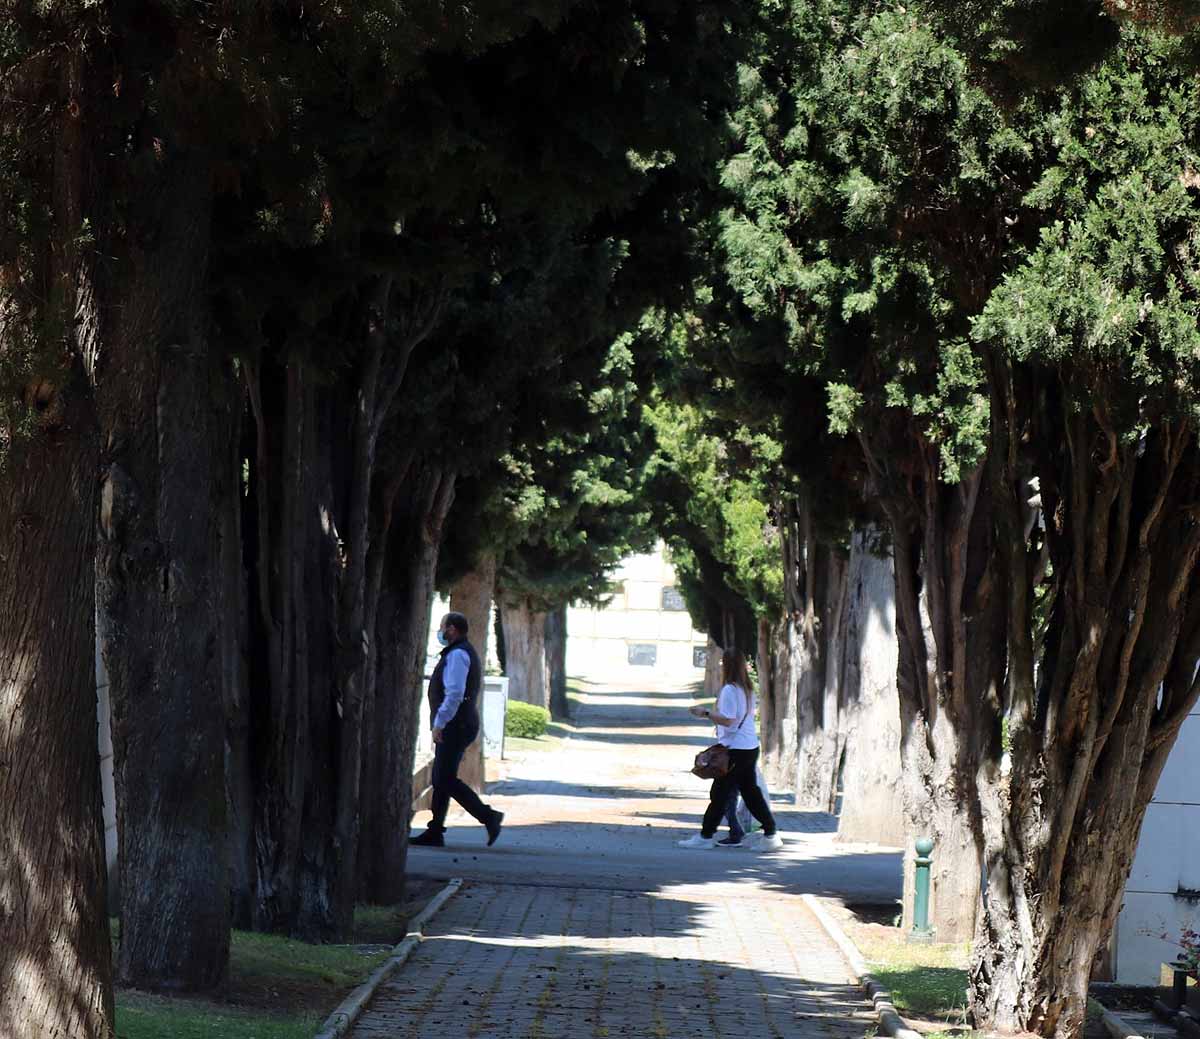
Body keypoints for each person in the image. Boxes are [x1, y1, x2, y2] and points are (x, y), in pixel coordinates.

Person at [410, 612, 504, 848]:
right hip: (458, 723)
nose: (440, 632)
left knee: (444, 778)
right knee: (442, 777)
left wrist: (440, 723)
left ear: (452, 629)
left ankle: (488, 816)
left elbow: (454, 694)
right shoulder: (458, 652)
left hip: (456, 724)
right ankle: (435, 831)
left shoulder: (458, 654)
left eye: (442, 627)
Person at [677, 648, 782, 852]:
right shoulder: (748, 689)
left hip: (735, 750)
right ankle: (771, 834)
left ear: (727, 665)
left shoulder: (729, 690)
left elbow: (729, 720)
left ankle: (706, 836)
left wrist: (705, 713)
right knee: (749, 794)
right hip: (749, 747)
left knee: (720, 794)